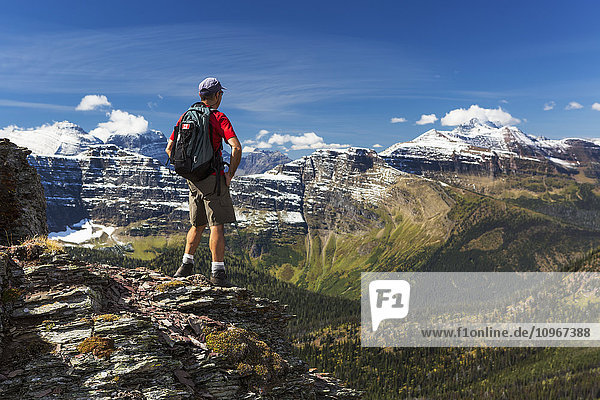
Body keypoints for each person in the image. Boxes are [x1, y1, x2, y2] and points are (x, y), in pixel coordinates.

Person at [165, 77, 242, 286]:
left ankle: (185, 266)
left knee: (197, 223)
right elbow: (236, 147)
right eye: (221, 94)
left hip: (192, 179)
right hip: (213, 178)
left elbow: (169, 149)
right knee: (216, 224)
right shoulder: (218, 117)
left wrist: (190, 171)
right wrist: (230, 174)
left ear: (200, 96)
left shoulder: (185, 116)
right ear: (217, 95)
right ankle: (218, 273)